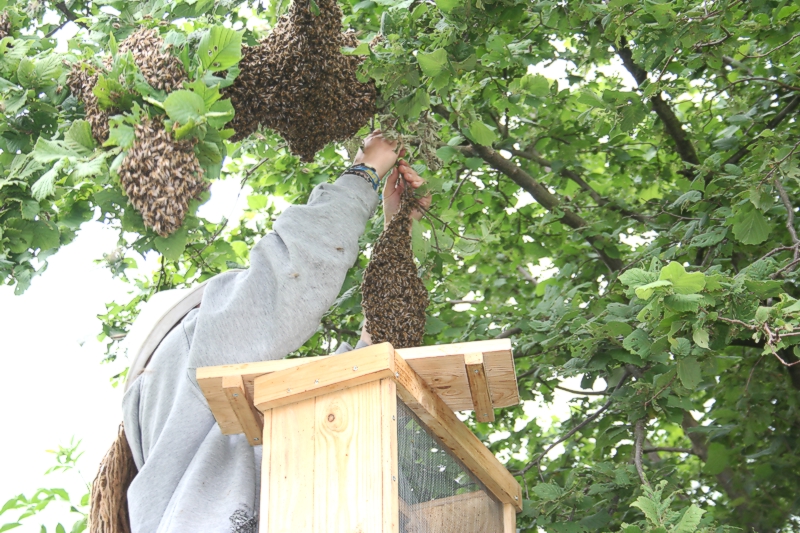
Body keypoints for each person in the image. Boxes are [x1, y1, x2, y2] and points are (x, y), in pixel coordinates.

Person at [120, 131, 431, 532]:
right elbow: (287, 281)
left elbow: (360, 381)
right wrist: (364, 172)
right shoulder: (187, 352)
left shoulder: (239, 440)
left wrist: (397, 235)